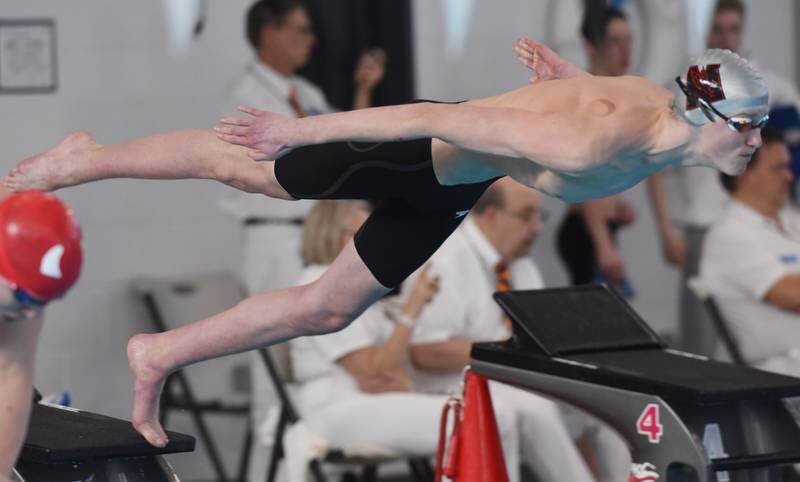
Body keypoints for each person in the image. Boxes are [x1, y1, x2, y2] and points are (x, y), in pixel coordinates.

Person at [3, 39, 769, 447]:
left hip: (453, 185)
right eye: (751, 128)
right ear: (715, 121)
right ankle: (84, 158)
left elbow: (611, 90)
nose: (760, 144)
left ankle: (158, 353)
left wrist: (564, 77)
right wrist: (297, 132)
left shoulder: (661, 119)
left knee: (330, 307)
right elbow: (423, 115)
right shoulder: (591, 142)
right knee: (248, 170)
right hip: (417, 151)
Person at [409, 178, 630, 482]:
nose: (537, 228)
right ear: (490, 215)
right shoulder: (446, 261)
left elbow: (537, 337)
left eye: (539, 216)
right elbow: (424, 352)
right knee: (535, 409)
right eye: (526, 216)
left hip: (512, 376)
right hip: (454, 383)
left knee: (607, 403)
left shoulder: (521, 263)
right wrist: (509, 353)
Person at [287, 200, 521, 481]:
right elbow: (374, 375)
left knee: (492, 415)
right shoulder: (320, 283)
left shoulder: (356, 288)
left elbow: (393, 368)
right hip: (336, 409)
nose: (374, 248)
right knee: (488, 420)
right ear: (330, 233)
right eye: (362, 237)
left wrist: (390, 368)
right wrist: (412, 309)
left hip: (366, 401)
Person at [646, 0, 800, 354]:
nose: (727, 37)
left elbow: (789, 157)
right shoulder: (691, 90)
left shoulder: (774, 88)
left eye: (733, 29)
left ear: (742, 29)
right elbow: (658, 163)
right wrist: (666, 230)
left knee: (769, 320)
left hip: (762, 220)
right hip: (704, 223)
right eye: (719, 29)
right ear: (707, 31)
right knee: (701, 334)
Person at [219, 0, 386, 297]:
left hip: (320, 232)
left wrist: (363, 90)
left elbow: (345, 144)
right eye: (302, 30)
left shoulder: (308, 92)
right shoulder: (244, 95)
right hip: (277, 232)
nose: (312, 40)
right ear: (270, 32)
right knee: (282, 332)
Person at [700, 128, 800, 372]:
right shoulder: (731, 235)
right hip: (780, 370)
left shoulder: (792, 220)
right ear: (745, 176)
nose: (789, 176)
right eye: (778, 168)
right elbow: (792, 296)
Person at [0, 191, 83, 481]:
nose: (31, 315)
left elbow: (11, 371)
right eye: (23, 300)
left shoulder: (21, 268)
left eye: (43, 303)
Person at [556, 5, 636, 288]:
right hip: (586, 233)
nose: (625, 51)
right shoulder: (590, 100)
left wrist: (617, 203)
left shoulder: (614, 95)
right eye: (615, 41)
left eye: (629, 41)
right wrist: (603, 244)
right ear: (592, 47)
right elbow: (584, 176)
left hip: (600, 228)